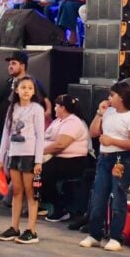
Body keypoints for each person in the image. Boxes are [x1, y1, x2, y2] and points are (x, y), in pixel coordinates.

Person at [80, 82, 130, 251]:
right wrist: (99, 113)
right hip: (104, 158)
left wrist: (112, 141)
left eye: (112, 95)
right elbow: (93, 132)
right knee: (98, 196)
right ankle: (94, 234)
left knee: (119, 197)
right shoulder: (108, 112)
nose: (109, 98)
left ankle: (116, 236)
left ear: (121, 97)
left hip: (121, 160)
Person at [0, 76, 47, 244]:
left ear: (34, 92)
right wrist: (1, 156)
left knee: (30, 192)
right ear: (16, 90)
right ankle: (14, 227)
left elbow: (40, 136)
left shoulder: (37, 109)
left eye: (30, 88)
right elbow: (5, 134)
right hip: (14, 153)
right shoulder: (12, 108)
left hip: (29, 155)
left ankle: (31, 230)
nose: (26, 91)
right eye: (23, 87)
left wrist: (38, 160)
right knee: (16, 191)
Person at [40, 94, 91, 223]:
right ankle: (40, 203)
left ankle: (60, 208)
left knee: (43, 173)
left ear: (63, 108)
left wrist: (38, 151)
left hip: (74, 161)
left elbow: (61, 144)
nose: (55, 108)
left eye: (56, 105)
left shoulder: (73, 122)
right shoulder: (58, 121)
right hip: (56, 158)